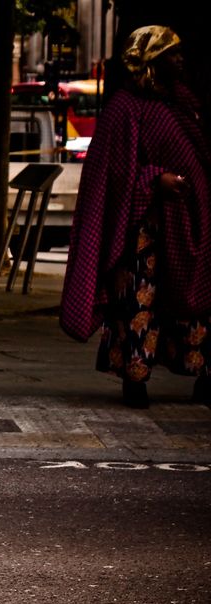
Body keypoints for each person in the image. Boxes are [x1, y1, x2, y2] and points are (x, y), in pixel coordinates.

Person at [61, 25, 211, 409]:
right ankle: (135, 377)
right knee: (138, 302)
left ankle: (202, 375)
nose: (180, 60)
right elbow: (112, 173)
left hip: (186, 222)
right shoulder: (125, 107)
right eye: (171, 54)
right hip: (142, 228)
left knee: (195, 300)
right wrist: (153, 178)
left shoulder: (183, 104)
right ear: (151, 61)